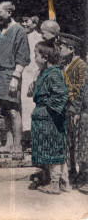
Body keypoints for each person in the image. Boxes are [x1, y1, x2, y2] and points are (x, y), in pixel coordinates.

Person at [0, 1, 30, 160]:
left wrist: (15, 78)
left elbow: (22, 57)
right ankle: (6, 145)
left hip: (10, 75)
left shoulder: (19, 31)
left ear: (9, 13)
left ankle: (18, 147)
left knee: (13, 111)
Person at [29, 41, 68, 195]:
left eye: (36, 55)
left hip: (50, 119)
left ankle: (55, 183)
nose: (34, 58)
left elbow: (61, 96)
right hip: (42, 118)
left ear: (45, 57)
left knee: (52, 148)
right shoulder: (45, 73)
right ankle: (47, 179)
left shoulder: (54, 73)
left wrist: (46, 107)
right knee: (45, 149)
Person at [58, 33, 86, 187]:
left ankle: (76, 175)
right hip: (66, 108)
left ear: (71, 49)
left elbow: (78, 90)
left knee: (74, 143)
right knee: (68, 142)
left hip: (73, 109)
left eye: (61, 47)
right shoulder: (65, 64)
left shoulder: (80, 66)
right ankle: (70, 174)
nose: (59, 50)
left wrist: (74, 109)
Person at [20, 15, 42, 140]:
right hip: (22, 74)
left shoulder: (38, 38)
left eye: (27, 21)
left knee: (31, 104)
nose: (24, 24)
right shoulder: (21, 36)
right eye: (22, 21)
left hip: (32, 74)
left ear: (34, 23)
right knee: (23, 106)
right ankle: (25, 137)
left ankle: (32, 137)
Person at [72, 64, 88, 193]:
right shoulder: (86, 75)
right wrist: (77, 112)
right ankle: (83, 177)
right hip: (85, 116)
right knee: (83, 148)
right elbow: (81, 93)